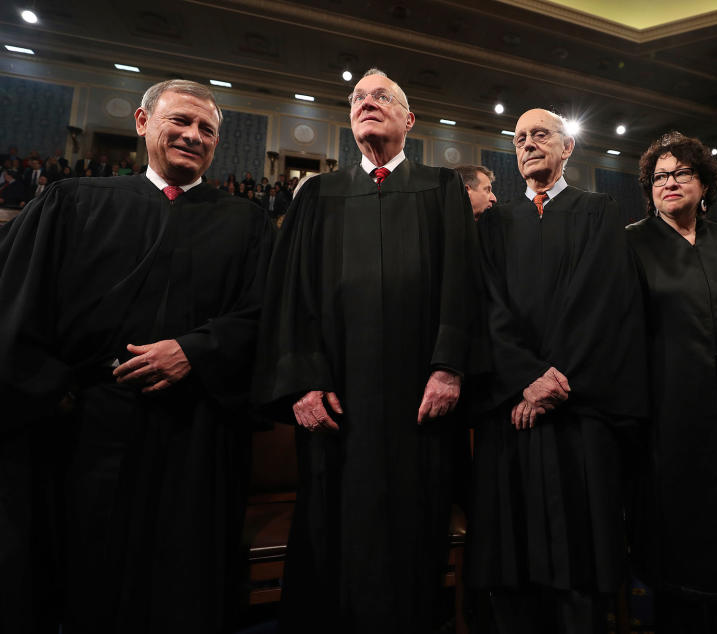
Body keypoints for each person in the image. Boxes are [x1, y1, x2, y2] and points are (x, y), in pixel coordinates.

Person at [0, 79, 274, 634]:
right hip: (88, 432)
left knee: (184, 580)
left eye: (207, 130)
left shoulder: (245, 224)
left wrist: (196, 350)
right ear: (144, 122)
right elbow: (17, 304)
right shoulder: (74, 201)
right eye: (180, 121)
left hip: (198, 431)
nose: (193, 136)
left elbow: (266, 316)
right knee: (85, 577)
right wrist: (59, 389)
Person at [253, 68, 482, 634]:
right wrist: (303, 381)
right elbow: (292, 294)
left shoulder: (443, 188)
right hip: (337, 403)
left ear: (409, 120)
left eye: (382, 96)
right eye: (358, 97)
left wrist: (449, 368)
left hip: (420, 402)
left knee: (413, 526)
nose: (367, 103)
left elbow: (462, 282)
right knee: (334, 527)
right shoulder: (318, 195)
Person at [468, 109, 647, 634]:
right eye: (519, 138)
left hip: (578, 408)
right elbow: (487, 308)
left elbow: (601, 303)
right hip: (512, 413)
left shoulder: (598, 210)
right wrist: (524, 378)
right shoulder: (494, 225)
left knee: (580, 557)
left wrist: (552, 383)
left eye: (540, 134)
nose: (527, 145)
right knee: (512, 553)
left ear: (567, 147)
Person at [626, 131, 717, 633]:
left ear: (704, 183)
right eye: (660, 176)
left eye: (681, 173)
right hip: (669, 414)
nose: (670, 182)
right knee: (678, 542)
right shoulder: (631, 242)